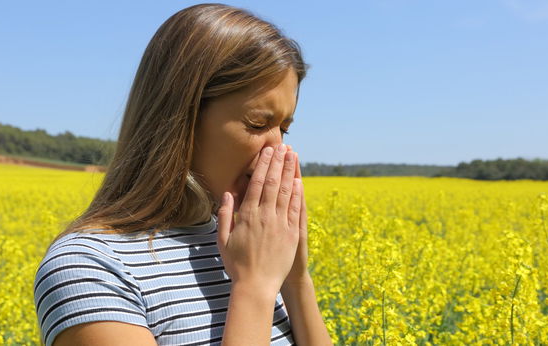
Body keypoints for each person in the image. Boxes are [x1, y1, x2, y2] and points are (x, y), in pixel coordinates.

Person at [33, 3, 332, 345]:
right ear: (182, 119)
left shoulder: (248, 245)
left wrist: (294, 279)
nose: (277, 150)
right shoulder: (88, 268)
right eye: (257, 123)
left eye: (284, 129)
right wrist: (255, 287)